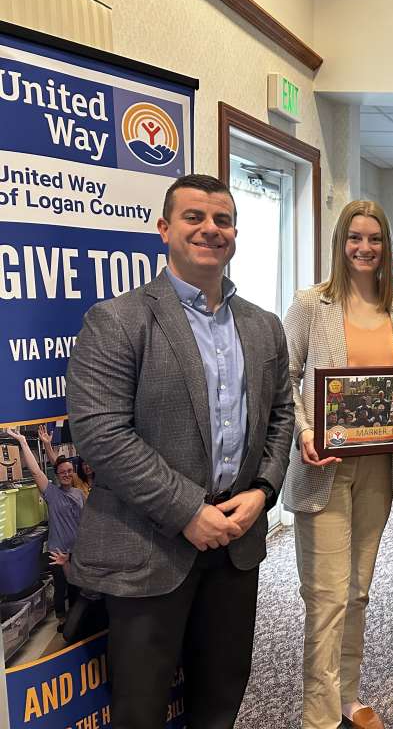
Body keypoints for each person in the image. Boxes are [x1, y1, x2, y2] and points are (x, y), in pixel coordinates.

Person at [65, 173, 294, 729]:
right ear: (165, 228)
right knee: (140, 709)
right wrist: (188, 510)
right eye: (194, 218)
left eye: (222, 220)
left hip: (237, 542)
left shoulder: (263, 326)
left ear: (235, 235)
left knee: (222, 698)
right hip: (150, 542)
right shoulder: (117, 319)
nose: (210, 230)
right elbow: (101, 433)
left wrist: (263, 492)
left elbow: (281, 416)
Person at [283, 199, 393, 729]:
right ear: (341, 242)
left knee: (358, 589)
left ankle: (348, 696)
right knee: (325, 596)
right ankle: (319, 716)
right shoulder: (311, 304)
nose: (365, 248)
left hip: (379, 468)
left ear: (386, 246)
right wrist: (305, 430)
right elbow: (285, 378)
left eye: (375, 239)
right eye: (355, 238)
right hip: (324, 468)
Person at [5, 428, 84, 627]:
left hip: (78, 552)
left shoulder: (79, 493)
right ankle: (62, 619)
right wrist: (23, 441)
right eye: (62, 472)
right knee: (61, 587)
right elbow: (35, 471)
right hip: (57, 551)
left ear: (73, 472)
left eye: (69, 471)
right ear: (56, 475)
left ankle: (74, 622)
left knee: (76, 588)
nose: (66, 474)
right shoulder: (51, 493)